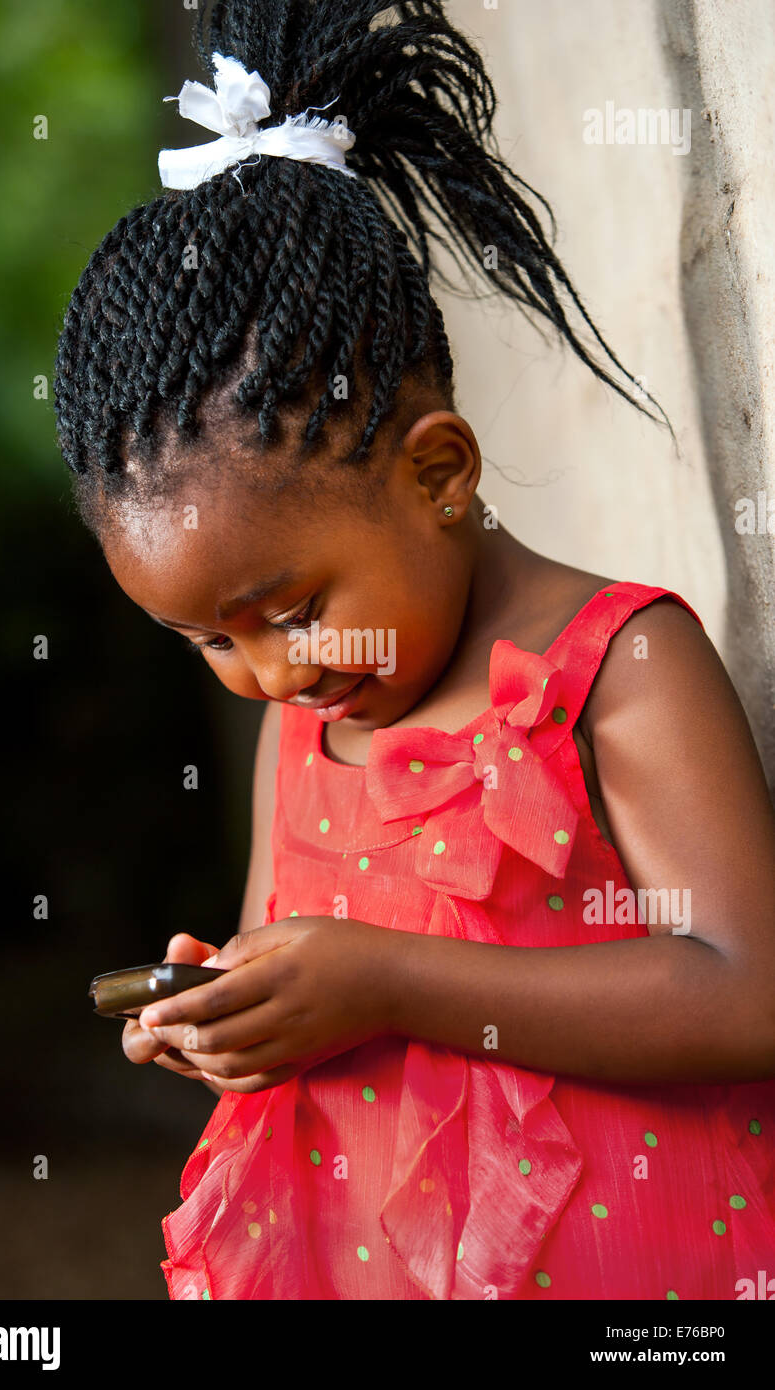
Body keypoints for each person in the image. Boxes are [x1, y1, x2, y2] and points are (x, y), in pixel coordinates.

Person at [52, 0, 775, 1299]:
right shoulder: (305, 727)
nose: (267, 672)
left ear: (437, 471)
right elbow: (299, 948)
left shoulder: (613, 667)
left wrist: (387, 981)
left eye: (289, 608)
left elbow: (745, 990)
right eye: (205, 641)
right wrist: (234, 1009)